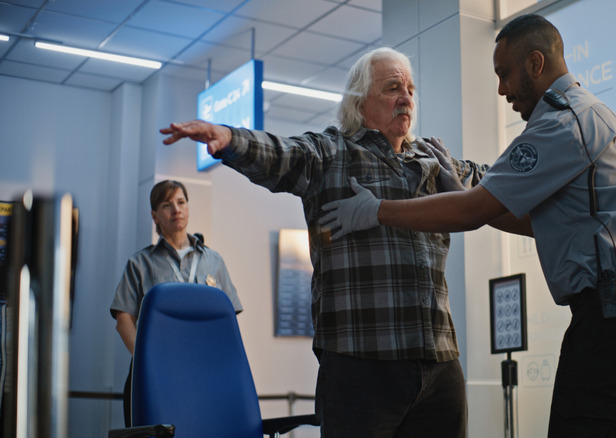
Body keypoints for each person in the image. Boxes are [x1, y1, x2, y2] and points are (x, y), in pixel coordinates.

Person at [319, 15, 616, 438]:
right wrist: (473, 198)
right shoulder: (596, 114)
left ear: (534, 63)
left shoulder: (560, 123)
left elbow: (473, 209)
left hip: (614, 320)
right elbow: (540, 224)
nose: (501, 90)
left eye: (504, 74)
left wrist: (378, 211)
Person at [160, 47, 489, 437]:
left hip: (438, 363)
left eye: (410, 88)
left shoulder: (434, 160)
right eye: (392, 88)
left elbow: (503, 186)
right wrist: (230, 138)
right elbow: (282, 155)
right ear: (360, 101)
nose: (406, 97)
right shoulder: (332, 153)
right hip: (361, 364)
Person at [110, 179, 242, 426]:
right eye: (167, 205)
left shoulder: (213, 261)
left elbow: (228, 318)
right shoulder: (140, 263)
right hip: (155, 374)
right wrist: (145, 361)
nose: (176, 210)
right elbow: (123, 318)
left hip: (205, 372)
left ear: (188, 208)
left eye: (181, 202)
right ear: (155, 215)